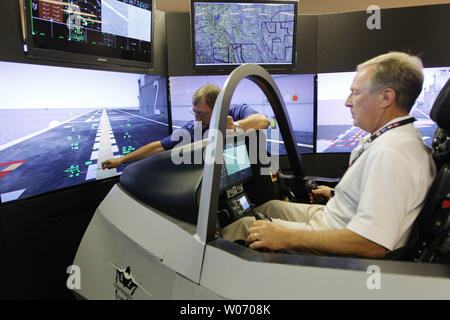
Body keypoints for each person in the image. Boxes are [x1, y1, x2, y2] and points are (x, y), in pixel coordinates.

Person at [222, 52, 437, 259]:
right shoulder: (394, 139)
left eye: (356, 92)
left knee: (243, 227)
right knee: (268, 207)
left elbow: (372, 244)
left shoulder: (392, 152)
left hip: (340, 238)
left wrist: (284, 237)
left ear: (386, 97)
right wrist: (337, 195)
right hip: (336, 219)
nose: (347, 101)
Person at [101, 84, 270, 169]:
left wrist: (235, 126)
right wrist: (121, 160)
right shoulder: (193, 128)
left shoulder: (237, 111)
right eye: (194, 112)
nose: (197, 118)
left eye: (202, 114)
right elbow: (158, 147)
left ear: (220, 108)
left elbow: (263, 121)